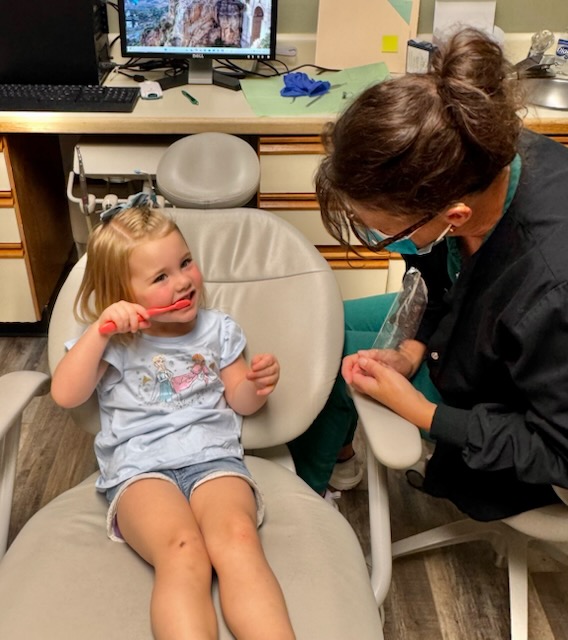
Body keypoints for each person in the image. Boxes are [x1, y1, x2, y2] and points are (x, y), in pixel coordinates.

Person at [291, 27, 568, 520]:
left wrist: (421, 412)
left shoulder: (552, 286)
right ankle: (331, 468)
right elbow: (440, 276)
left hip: (515, 413)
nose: (382, 241)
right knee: (315, 331)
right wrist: (412, 348)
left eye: (383, 231)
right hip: (469, 332)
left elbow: (558, 451)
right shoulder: (471, 154)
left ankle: (303, 509)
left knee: (330, 367)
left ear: (454, 215)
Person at [51, 194, 295, 640]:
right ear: (122, 296)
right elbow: (66, 394)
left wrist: (256, 386)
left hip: (215, 461)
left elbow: (239, 400)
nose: (183, 282)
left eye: (186, 263)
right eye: (161, 277)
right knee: (184, 551)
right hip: (140, 470)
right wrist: (101, 331)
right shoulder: (114, 343)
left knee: (239, 540)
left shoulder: (218, 328)